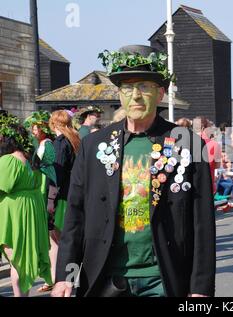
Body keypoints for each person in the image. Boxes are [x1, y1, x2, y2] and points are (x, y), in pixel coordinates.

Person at [52, 45, 215, 297]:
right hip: (105, 277)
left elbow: (202, 221)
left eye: (144, 87)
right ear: (119, 95)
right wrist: (66, 276)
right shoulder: (93, 145)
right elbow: (76, 214)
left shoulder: (189, 143)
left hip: (163, 279)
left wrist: (201, 288)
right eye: (127, 87)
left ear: (160, 94)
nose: (135, 95)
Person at [0, 114, 53, 296]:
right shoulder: (26, 158)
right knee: (20, 259)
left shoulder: (8, 160)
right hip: (29, 210)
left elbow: (2, 185)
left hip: (14, 214)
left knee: (17, 261)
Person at [46, 110, 80, 291]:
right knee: (73, 242)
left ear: (53, 124)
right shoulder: (76, 140)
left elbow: (55, 174)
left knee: (59, 241)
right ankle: (74, 280)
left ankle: (63, 281)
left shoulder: (59, 144)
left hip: (62, 199)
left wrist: (51, 200)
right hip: (75, 195)